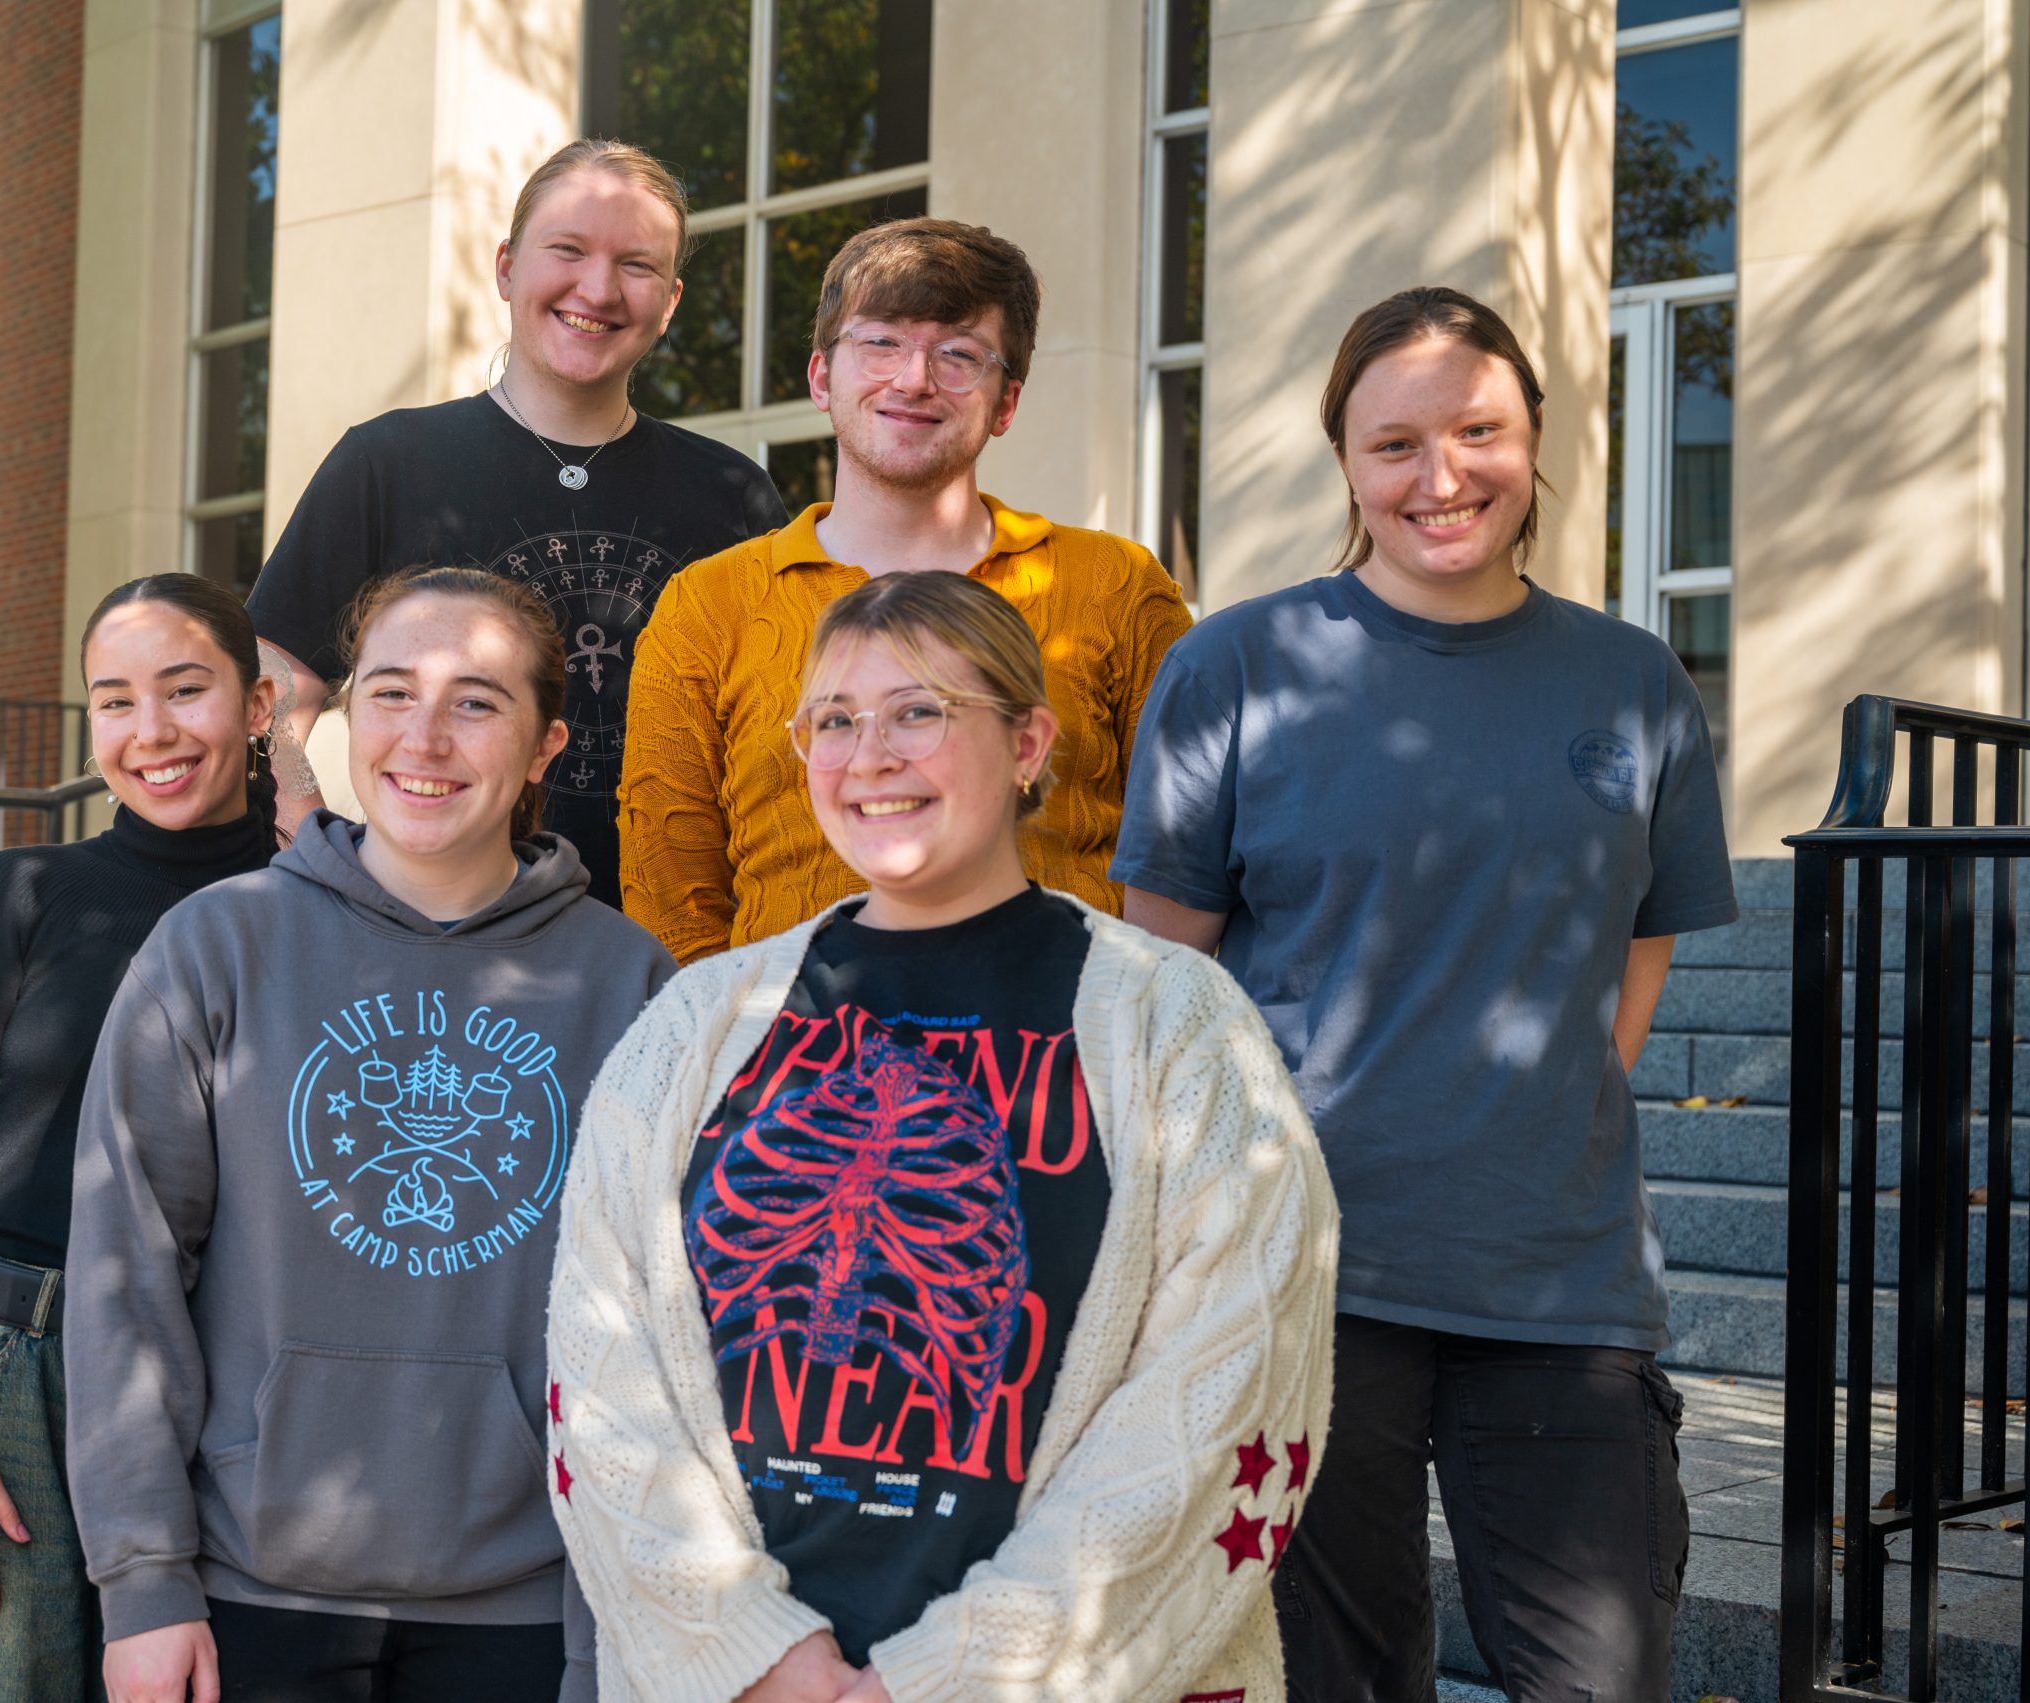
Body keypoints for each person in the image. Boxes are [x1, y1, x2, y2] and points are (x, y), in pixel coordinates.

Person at [546, 571, 1336, 1702]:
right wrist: (751, 1652)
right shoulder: (697, 1020)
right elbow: (600, 1361)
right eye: (833, 718)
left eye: (918, 710)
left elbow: (1227, 1391)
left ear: (1028, 742)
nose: (868, 753)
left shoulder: (1178, 1025)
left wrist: (955, 1678)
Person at [1111, 285, 1737, 1702]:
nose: (1441, 475)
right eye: (1395, 443)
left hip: (1561, 1283)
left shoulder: (1633, 679)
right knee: (1342, 1677)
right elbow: (1163, 991)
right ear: (1345, 459)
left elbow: (1641, 951)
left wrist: (1532, 1120)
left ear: (1534, 443)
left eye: (1479, 431)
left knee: (1601, 1674)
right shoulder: (1235, 669)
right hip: (1305, 1277)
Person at [67, 565, 678, 1703]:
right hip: (254, 1588)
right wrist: (142, 1584)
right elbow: (125, 1278)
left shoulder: (630, 981)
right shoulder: (217, 945)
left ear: (547, 742)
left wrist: (605, 1639)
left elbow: (652, 1340)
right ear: (345, 718)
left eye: (478, 701)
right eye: (391, 692)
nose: (426, 737)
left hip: (530, 1602)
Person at [0, 575, 282, 1700]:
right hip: (12, 1374)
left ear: (261, 703)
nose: (151, 732)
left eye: (186, 690)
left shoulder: (312, 907)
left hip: (231, 1379)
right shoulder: (23, 889)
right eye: (114, 700)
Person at [616, 217, 1193, 966]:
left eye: (958, 354)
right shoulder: (708, 605)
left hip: (1066, 1058)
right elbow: (672, 902)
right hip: (794, 1068)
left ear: (1007, 403)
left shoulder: (1117, 586)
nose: (914, 378)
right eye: (881, 342)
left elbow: (1187, 858)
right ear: (822, 377)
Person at [247, 138, 789, 900]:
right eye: (567, 249)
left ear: (669, 303)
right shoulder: (390, 462)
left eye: (636, 264)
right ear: (506, 268)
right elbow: (273, 680)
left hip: (683, 938)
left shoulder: (732, 491)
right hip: (439, 932)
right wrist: (304, 818)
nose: (597, 289)